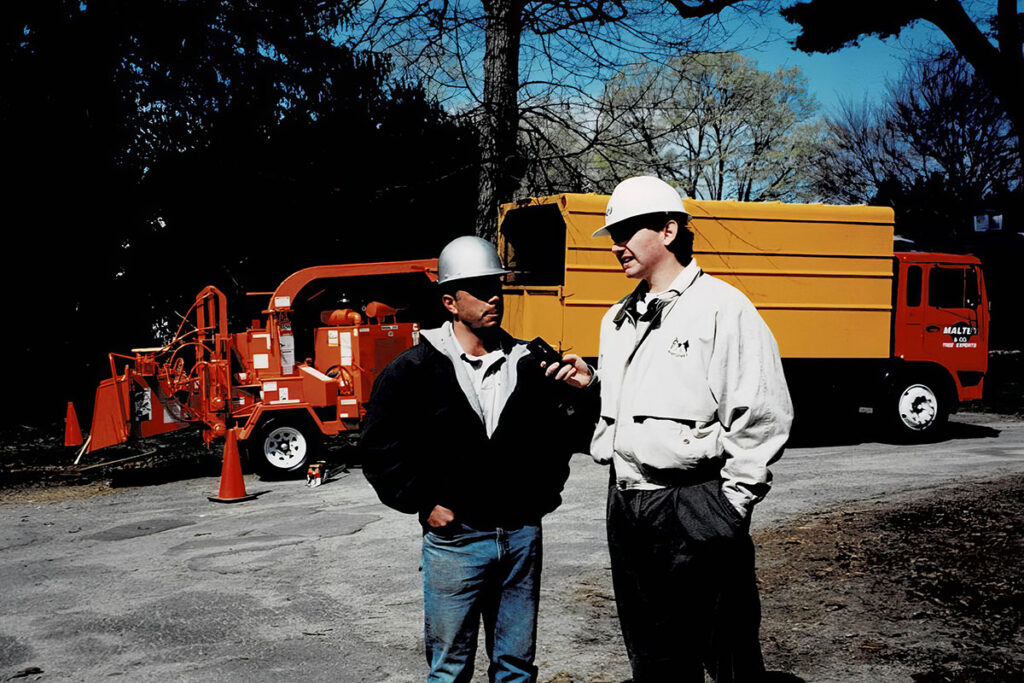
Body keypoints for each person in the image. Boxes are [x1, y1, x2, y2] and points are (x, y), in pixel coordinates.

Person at [549, 176, 794, 682]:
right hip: (628, 504)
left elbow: (763, 413)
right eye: (612, 234)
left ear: (667, 229)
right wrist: (592, 383)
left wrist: (730, 506)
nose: (615, 245)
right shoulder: (616, 319)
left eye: (626, 231)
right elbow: (638, 401)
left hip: (694, 501)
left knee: (728, 656)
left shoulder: (722, 308)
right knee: (654, 656)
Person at [361, 235, 597, 683]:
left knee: (516, 668)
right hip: (457, 541)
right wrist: (423, 502)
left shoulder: (531, 363)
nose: (494, 296)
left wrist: (582, 396)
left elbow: (568, 436)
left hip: (522, 536)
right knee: (449, 670)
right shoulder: (413, 369)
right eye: (480, 288)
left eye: (497, 286)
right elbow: (379, 447)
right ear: (450, 301)